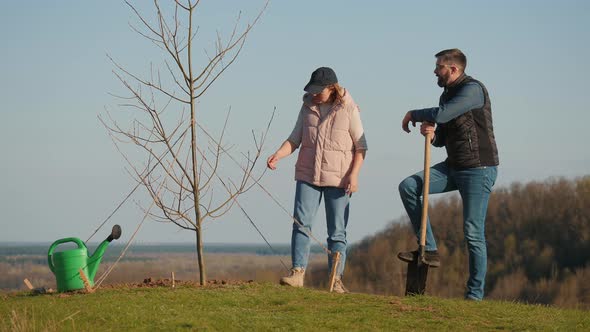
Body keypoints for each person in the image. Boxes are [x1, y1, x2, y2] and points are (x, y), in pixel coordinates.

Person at [398, 49, 499, 301]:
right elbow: (442, 137)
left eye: (439, 67)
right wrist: (431, 134)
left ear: (453, 69)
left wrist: (415, 113)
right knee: (408, 186)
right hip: (454, 166)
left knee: (472, 232)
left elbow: (442, 115)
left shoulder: (473, 90)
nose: (435, 71)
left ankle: (474, 296)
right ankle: (429, 248)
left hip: (479, 169)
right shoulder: (447, 94)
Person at [267, 67, 367, 294]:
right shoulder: (307, 107)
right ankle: (297, 273)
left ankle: (336, 280)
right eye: (311, 90)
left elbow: (361, 147)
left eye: (318, 91)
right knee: (301, 223)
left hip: (339, 179)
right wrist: (278, 155)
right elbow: (295, 139)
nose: (313, 95)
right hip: (307, 174)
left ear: (332, 88)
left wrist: (354, 175)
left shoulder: (349, 109)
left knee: (337, 231)